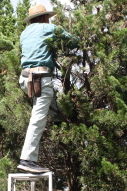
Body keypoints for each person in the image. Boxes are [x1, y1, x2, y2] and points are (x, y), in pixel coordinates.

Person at [17, 3, 78, 173]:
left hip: (25, 79)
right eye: (48, 18)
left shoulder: (24, 33)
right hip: (41, 77)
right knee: (37, 117)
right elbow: (72, 42)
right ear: (44, 18)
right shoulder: (48, 28)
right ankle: (27, 159)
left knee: (50, 96)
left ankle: (57, 120)